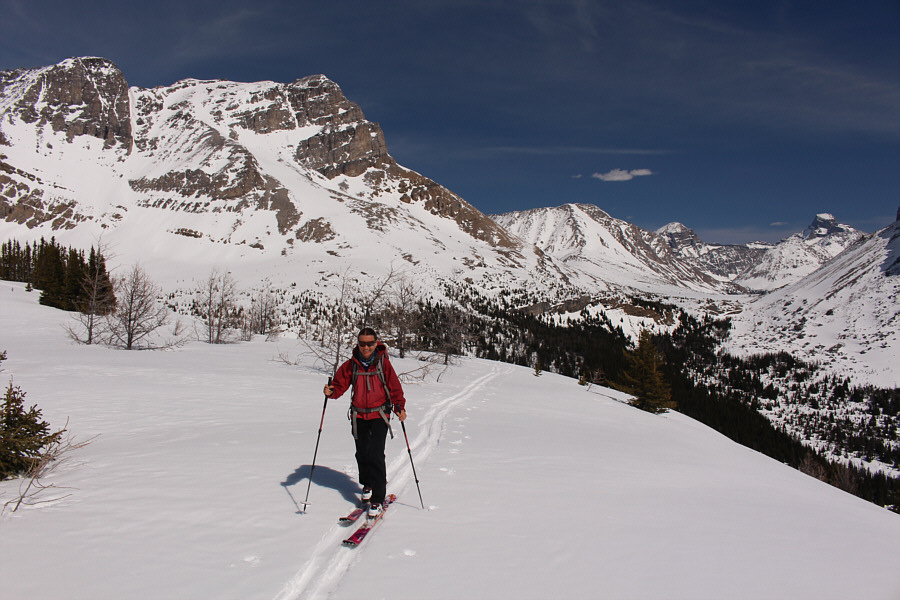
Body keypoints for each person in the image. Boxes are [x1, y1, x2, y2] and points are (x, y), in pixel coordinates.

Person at [324, 327, 406, 518]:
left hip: (379, 415)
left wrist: (399, 407)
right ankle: (367, 483)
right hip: (358, 415)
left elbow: (395, 388)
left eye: (370, 343)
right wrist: (331, 392)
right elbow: (338, 386)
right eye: (362, 343)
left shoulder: (383, 365)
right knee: (362, 453)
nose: (366, 347)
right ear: (358, 344)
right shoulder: (351, 365)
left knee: (376, 454)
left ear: (376, 343)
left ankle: (377, 498)